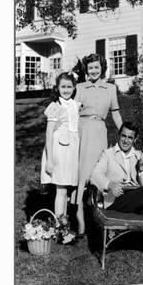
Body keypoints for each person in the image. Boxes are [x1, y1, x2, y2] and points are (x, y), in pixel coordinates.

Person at [73, 53, 123, 236]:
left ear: (102, 68)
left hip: (100, 132)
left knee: (101, 175)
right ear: (86, 70)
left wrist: (125, 132)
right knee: (82, 178)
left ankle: (106, 222)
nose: (93, 70)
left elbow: (115, 113)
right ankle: (80, 224)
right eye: (90, 67)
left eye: (96, 67)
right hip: (82, 132)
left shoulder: (110, 88)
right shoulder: (79, 87)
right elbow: (72, 113)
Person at [41, 72, 80, 221]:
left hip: (71, 151)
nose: (66, 90)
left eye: (69, 86)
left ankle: (63, 222)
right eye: (63, 86)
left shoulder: (76, 105)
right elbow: (49, 134)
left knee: (65, 190)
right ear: (57, 88)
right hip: (59, 151)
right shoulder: (55, 106)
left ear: (74, 87)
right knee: (61, 189)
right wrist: (50, 160)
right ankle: (60, 225)